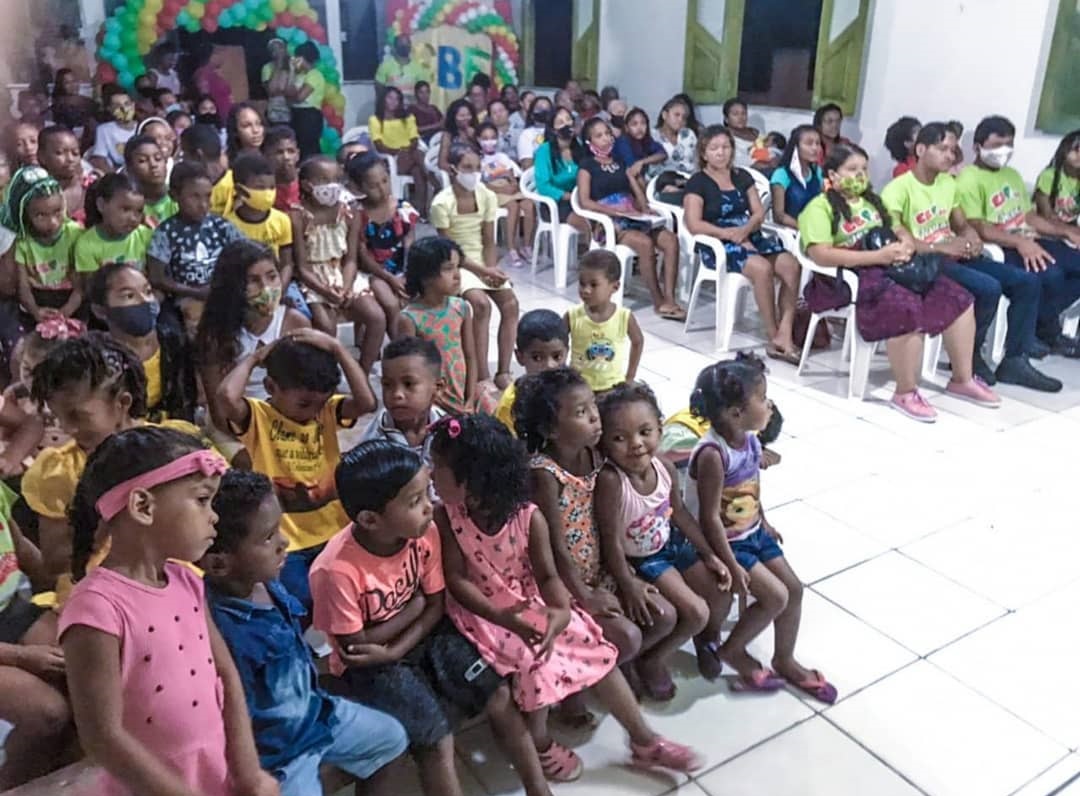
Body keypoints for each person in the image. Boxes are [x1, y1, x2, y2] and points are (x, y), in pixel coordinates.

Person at [431, 414, 703, 780]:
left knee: (589, 639)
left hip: (529, 599)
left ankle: (644, 740)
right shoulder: (446, 517)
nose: (431, 475)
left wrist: (560, 610)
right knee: (534, 656)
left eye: (439, 468)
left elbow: (546, 575)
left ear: (474, 480)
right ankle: (540, 740)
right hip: (483, 612)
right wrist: (508, 618)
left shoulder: (529, 518)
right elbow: (457, 581)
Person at [310, 439, 552, 796]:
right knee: (437, 739)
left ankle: (539, 789)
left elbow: (436, 604)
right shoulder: (335, 571)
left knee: (498, 696)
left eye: (427, 493)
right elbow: (357, 648)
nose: (430, 507)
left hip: (422, 637)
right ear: (370, 519)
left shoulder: (423, 534)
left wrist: (400, 634)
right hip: (370, 667)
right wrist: (413, 610)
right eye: (415, 501)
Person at [59, 427, 279, 796]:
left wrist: (249, 772)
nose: (215, 519)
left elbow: (224, 674)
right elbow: (103, 738)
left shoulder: (185, 580)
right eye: (202, 500)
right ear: (143, 506)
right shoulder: (96, 609)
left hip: (213, 774)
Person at [202, 469, 409, 796]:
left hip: (317, 714)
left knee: (392, 740)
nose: (284, 542)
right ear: (219, 565)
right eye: (268, 537)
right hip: (278, 755)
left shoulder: (267, 583)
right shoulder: (220, 632)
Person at [514, 369, 681, 706]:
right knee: (630, 636)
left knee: (665, 616)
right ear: (550, 429)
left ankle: (614, 667)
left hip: (601, 567)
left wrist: (625, 579)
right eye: (581, 412)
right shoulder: (544, 474)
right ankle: (573, 685)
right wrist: (585, 595)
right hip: (562, 582)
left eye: (593, 406)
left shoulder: (597, 454)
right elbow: (555, 548)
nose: (595, 417)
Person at [799, 144, 998, 421]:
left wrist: (904, 243)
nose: (860, 175)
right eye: (852, 170)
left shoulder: (873, 203)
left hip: (889, 266)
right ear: (833, 173)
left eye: (864, 169)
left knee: (957, 297)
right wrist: (876, 256)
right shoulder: (819, 208)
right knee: (906, 305)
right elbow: (821, 254)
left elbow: (898, 227)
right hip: (849, 277)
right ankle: (905, 391)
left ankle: (962, 379)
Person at [686, 355, 837, 701]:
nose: (769, 404)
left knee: (794, 590)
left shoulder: (751, 440)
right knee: (776, 597)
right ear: (735, 413)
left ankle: (784, 659)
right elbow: (709, 518)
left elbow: (752, 486)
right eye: (763, 398)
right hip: (726, 542)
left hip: (752, 533)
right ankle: (733, 650)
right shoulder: (713, 453)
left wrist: (763, 521)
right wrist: (729, 564)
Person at [24, 333, 204, 601]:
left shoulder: (173, 450)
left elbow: (209, 530)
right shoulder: (59, 471)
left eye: (77, 416)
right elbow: (54, 562)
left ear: (123, 403)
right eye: (58, 417)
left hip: (179, 586)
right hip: (98, 597)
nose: (67, 429)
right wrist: (100, 527)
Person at [881, 122, 1060, 391]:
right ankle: (969, 357)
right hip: (925, 260)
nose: (950, 157)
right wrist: (942, 248)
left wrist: (971, 239)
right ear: (920, 149)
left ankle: (1016, 360)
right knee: (987, 288)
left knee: (1026, 282)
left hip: (954, 253)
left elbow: (962, 224)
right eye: (943, 149)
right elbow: (897, 239)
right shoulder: (898, 188)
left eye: (953, 151)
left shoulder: (947, 184)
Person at [216, 329, 375, 609]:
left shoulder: (326, 412)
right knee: (298, 605)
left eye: (320, 403)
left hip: (335, 530)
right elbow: (226, 397)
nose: (313, 412)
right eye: (304, 403)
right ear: (270, 387)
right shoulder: (258, 417)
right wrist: (255, 358)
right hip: (289, 540)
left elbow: (366, 402)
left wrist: (338, 349)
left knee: (349, 597)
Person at [595, 381, 733, 685]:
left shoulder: (665, 469)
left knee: (722, 590)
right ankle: (648, 658)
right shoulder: (612, 481)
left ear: (660, 428)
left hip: (670, 544)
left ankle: (706, 641)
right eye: (619, 437)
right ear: (603, 442)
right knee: (696, 611)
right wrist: (628, 582)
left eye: (645, 432)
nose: (635, 444)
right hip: (645, 559)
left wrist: (709, 554)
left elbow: (680, 514)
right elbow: (610, 543)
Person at [957, 115, 1080, 354]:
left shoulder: (1011, 175)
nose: (1003, 151)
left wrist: (1067, 231)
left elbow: (1028, 216)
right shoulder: (968, 178)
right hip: (1002, 245)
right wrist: (1021, 242)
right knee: (1052, 275)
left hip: (1028, 237)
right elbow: (980, 227)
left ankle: (1038, 325)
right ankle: (1041, 330)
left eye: (1008, 145)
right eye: (996, 146)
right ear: (977, 147)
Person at [684, 125, 801, 362]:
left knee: (791, 264)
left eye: (726, 147)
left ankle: (785, 330)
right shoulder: (698, 182)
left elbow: (758, 213)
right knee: (762, 268)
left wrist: (745, 230)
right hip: (718, 241)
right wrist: (730, 235)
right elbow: (694, 223)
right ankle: (772, 336)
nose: (721, 153)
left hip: (748, 234)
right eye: (714, 148)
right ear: (704, 153)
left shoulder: (742, 176)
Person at [195, 240, 310, 466]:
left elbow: (307, 392)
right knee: (253, 464)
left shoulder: (295, 323)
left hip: (284, 420)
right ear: (233, 286)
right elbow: (220, 414)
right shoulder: (216, 335)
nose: (266, 288)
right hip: (233, 424)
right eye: (253, 281)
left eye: (271, 276)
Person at [0, 475, 68, 789]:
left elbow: (22, 549)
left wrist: (73, 592)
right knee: (48, 713)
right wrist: (22, 656)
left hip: (12, 609)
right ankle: (13, 784)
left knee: (91, 665)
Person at [431, 146, 519, 388]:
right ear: (453, 169)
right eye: (468, 168)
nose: (475, 173)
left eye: (478, 168)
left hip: (481, 263)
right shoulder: (442, 203)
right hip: (455, 266)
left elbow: (489, 241)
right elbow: (449, 251)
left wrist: (491, 270)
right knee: (479, 305)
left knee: (510, 303)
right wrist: (482, 272)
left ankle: (503, 370)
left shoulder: (486, 195)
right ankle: (481, 374)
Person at [578, 118, 683, 320]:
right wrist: (614, 212)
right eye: (599, 136)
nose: (606, 139)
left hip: (632, 214)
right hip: (609, 221)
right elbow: (585, 202)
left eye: (608, 134)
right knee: (644, 243)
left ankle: (670, 298)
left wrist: (644, 207)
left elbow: (633, 188)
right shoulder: (587, 166)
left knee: (670, 240)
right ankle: (658, 301)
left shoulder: (619, 162)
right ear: (589, 141)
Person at [290, 156, 388, 371]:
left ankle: (361, 372)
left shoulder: (349, 212)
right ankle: (326, 374)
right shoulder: (297, 216)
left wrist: (344, 288)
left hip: (343, 274)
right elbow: (302, 267)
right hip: (313, 280)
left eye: (336, 179)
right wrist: (325, 291)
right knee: (326, 327)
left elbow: (351, 258)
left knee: (377, 317)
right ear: (308, 185)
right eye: (325, 180)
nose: (332, 186)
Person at [89, 262, 197, 421]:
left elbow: (185, 403)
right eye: (129, 296)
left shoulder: (173, 341)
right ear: (100, 311)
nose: (144, 301)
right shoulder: (95, 358)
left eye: (147, 291)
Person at [147, 161, 242, 340]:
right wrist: (195, 292)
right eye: (195, 197)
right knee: (198, 325)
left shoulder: (221, 226)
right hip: (186, 296)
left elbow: (244, 254)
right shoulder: (166, 232)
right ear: (174, 195)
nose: (203, 204)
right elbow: (157, 277)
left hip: (221, 291)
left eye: (207, 196)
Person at [394, 236, 479, 414]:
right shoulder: (410, 319)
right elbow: (408, 370)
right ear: (425, 277)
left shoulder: (461, 308)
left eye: (458, 267)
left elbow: (470, 356)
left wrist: (470, 399)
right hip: (431, 405)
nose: (457, 276)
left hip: (463, 398)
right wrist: (436, 401)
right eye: (448, 269)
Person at [0, 167, 82, 324]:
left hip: (71, 303)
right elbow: (23, 288)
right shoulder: (23, 243)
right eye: (40, 215)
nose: (52, 222)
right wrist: (35, 311)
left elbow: (80, 287)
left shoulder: (75, 234)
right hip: (36, 304)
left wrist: (64, 314)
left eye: (57, 212)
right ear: (25, 215)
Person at [360, 336, 445, 470]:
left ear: (438, 388)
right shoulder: (373, 443)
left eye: (408, 384)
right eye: (387, 385)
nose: (396, 394)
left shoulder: (449, 432)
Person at [565, 250, 643, 392]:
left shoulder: (624, 317)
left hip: (612, 388)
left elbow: (638, 342)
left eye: (594, 285)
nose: (586, 290)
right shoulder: (572, 316)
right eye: (582, 284)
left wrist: (630, 377)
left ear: (615, 287)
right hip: (578, 387)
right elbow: (558, 343)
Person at [224, 154, 296, 302]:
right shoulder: (228, 226)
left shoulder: (282, 220)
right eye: (260, 188)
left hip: (278, 284)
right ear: (241, 190)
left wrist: (279, 290)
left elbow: (287, 263)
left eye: (271, 187)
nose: (268, 193)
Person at [494, 308, 568, 432]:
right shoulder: (511, 403)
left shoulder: (574, 391)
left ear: (567, 352)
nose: (550, 365)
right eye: (537, 358)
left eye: (557, 357)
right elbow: (507, 446)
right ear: (520, 357)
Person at [476, 121, 534, 265]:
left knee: (528, 204)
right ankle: (512, 248)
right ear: (478, 140)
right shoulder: (478, 160)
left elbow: (512, 174)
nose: (490, 141)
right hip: (493, 191)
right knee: (513, 206)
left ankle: (527, 246)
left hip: (509, 187)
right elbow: (480, 184)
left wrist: (514, 184)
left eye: (493, 137)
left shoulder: (502, 157)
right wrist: (501, 190)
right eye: (485, 138)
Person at [74, 173, 152, 276]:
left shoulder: (147, 236)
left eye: (139, 211)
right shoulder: (86, 244)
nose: (133, 218)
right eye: (125, 209)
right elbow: (92, 287)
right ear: (101, 205)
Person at [532, 107, 591, 241]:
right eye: (560, 122)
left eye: (568, 120)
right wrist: (569, 197)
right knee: (587, 224)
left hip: (581, 199)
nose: (566, 124)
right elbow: (543, 186)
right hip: (556, 203)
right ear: (553, 129)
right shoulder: (544, 151)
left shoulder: (580, 148)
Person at [369, 86, 429, 216]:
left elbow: (414, 139)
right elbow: (379, 146)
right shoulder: (375, 120)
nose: (393, 102)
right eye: (390, 98)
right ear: (383, 100)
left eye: (397, 99)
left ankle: (421, 211)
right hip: (392, 160)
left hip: (410, 155)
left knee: (418, 172)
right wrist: (399, 152)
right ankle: (432, 177)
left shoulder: (407, 118)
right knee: (418, 158)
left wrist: (407, 151)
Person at [36, 126, 93, 226]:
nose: (70, 159)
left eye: (75, 153)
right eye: (60, 153)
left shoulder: (93, 188)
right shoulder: (33, 194)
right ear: (42, 157)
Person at [769, 124, 824, 228]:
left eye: (818, 143)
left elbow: (823, 203)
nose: (815, 148)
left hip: (816, 227)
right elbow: (779, 216)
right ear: (796, 147)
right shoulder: (782, 174)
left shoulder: (817, 172)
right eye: (809, 143)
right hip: (792, 232)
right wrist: (805, 228)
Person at [180, 123, 234, 216]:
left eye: (185, 153)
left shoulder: (236, 187)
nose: (183, 159)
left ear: (198, 155)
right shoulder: (237, 180)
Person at [123, 135, 176, 228]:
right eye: (142, 160)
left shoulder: (179, 198)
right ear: (129, 169)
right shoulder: (125, 206)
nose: (153, 164)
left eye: (158, 158)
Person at [1033, 128, 1080, 228]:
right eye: (1076, 150)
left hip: (1069, 228)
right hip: (1045, 227)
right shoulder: (1049, 176)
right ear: (1064, 151)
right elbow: (1046, 214)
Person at [289, 42, 327, 161]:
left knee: (309, 150)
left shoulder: (314, 75)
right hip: (296, 114)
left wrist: (292, 94)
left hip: (309, 116)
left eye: (297, 57)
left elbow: (300, 97)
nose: (294, 60)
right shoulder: (298, 75)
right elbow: (286, 93)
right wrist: (291, 72)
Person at [89, 84, 137, 173]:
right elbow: (100, 159)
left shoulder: (143, 127)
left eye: (127, 104)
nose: (124, 109)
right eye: (117, 106)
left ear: (133, 105)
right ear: (109, 109)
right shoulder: (104, 130)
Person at [612, 108, 667, 184]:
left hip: (639, 181)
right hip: (622, 184)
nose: (639, 128)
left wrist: (642, 162)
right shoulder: (623, 142)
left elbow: (662, 154)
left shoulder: (646, 140)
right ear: (626, 128)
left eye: (643, 123)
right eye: (634, 124)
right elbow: (634, 171)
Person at [649, 96, 698, 179]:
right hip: (662, 183)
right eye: (676, 115)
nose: (680, 120)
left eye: (684, 117)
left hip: (690, 182)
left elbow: (697, 160)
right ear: (664, 115)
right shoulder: (652, 135)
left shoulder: (688, 135)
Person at [374, 34, 431, 103]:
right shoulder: (385, 66)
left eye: (407, 44)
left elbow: (422, 92)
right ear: (395, 47)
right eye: (401, 44)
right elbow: (379, 90)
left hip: (412, 109)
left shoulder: (418, 68)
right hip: (392, 109)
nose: (405, 47)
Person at [49, 68, 96, 147]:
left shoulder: (87, 102)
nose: (73, 85)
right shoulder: (58, 106)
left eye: (74, 81)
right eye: (67, 83)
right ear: (60, 85)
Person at [262, 125, 301, 212]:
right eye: (279, 152)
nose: (286, 157)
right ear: (266, 156)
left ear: (298, 155)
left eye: (291, 151)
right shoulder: (261, 187)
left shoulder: (307, 180)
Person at [437, 98, 479, 175]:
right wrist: (458, 171)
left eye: (468, 115)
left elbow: (486, 155)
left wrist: (475, 137)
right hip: (457, 175)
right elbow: (441, 163)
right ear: (453, 117)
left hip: (477, 172)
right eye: (461, 116)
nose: (466, 118)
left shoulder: (477, 131)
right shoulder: (448, 135)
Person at [193, 46, 234, 122]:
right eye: (220, 54)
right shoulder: (202, 73)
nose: (223, 57)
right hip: (216, 118)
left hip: (228, 116)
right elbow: (204, 97)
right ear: (212, 56)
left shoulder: (218, 73)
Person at [260, 38, 295, 126]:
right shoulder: (267, 67)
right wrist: (279, 64)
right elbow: (271, 91)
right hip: (275, 112)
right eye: (274, 49)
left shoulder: (292, 66)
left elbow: (291, 91)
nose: (278, 51)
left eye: (280, 48)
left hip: (293, 111)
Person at [516, 95, 554, 170]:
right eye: (539, 108)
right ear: (531, 113)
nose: (543, 111)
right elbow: (527, 165)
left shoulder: (556, 131)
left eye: (547, 109)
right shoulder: (527, 134)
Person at [722, 98, 760, 169]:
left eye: (743, 113)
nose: (740, 117)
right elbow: (740, 162)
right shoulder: (725, 138)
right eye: (735, 114)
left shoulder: (756, 133)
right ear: (726, 119)